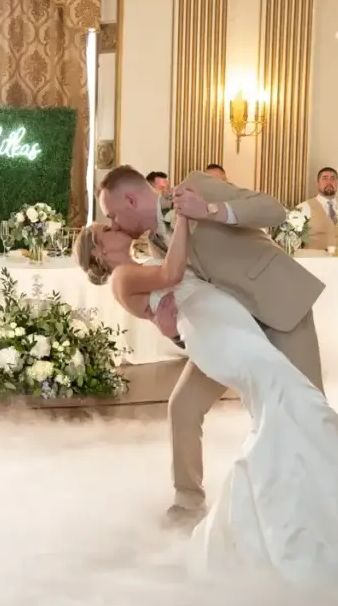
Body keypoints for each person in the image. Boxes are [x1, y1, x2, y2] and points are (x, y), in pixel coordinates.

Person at [74, 215, 338, 581]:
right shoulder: (122, 278)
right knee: (298, 403)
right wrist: (182, 217)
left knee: (288, 410)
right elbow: (172, 274)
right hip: (216, 335)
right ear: (101, 251)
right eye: (107, 229)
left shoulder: (144, 257)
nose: (117, 226)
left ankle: (284, 520)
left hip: (232, 323)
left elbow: (182, 289)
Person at [96, 165, 325, 527]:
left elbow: (275, 211)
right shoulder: (154, 245)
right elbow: (186, 300)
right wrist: (171, 331)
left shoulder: (198, 187)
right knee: (183, 406)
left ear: (130, 199)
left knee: (310, 410)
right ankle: (188, 503)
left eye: (112, 215)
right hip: (229, 332)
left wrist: (213, 212)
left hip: (278, 308)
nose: (114, 224)